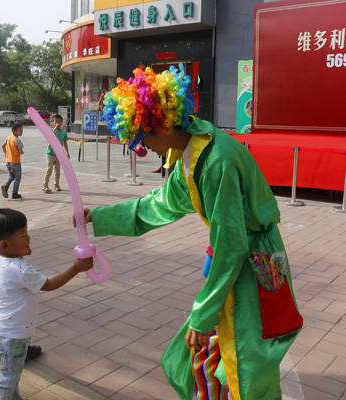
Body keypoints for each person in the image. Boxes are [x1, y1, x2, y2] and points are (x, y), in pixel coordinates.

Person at [78, 65, 302, 400]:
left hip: (253, 266)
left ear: (161, 122)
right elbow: (159, 205)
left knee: (248, 365)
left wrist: (202, 315)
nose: (141, 150)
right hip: (238, 265)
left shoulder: (215, 161)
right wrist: (97, 216)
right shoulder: (190, 152)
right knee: (215, 359)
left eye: (140, 140)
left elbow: (231, 244)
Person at [0, 208, 93, 400]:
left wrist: (20, 250)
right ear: (5, 244)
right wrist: (76, 268)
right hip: (13, 338)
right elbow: (49, 285)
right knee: (7, 380)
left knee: (8, 376)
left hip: (0, 334)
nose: (29, 238)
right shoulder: (20, 269)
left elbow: (14, 261)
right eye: (23, 235)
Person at [42, 114, 69, 193]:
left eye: (59, 121)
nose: (57, 123)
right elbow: (50, 137)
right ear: (53, 122)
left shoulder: (63, 132)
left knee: (57, 171)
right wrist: (54, 129)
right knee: (49, 169)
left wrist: (67, 152)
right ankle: (45, 186)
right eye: (55, 121)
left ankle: (56, 185)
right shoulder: (52, 131)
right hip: (50, 154)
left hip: (58, 155)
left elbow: (65, 142)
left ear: (62, 122)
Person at [1, 122, 24, 200]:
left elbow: (3, 146)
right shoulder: (17, 140)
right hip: (16, 162)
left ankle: (5, 186)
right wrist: (21, 152)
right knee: (17, 178)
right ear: (14, 131)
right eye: (20, 130)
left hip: (8, 161)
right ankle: (15, 194)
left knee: (11, 176)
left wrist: (6, 154)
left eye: (22, 129)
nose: (22, 131)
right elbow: (20, 151)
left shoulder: (9, 138)